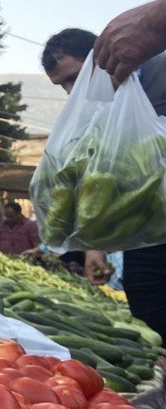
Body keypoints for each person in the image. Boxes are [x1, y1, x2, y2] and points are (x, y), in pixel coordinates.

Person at [42, 22, 166, 340]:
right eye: (62, 85)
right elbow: (99, 180)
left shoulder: (159, 72)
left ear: (103, 56)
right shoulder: (93, 112)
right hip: (148, 234)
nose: (71, 90)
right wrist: (93, 246)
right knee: (147, 309)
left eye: (74, 76)